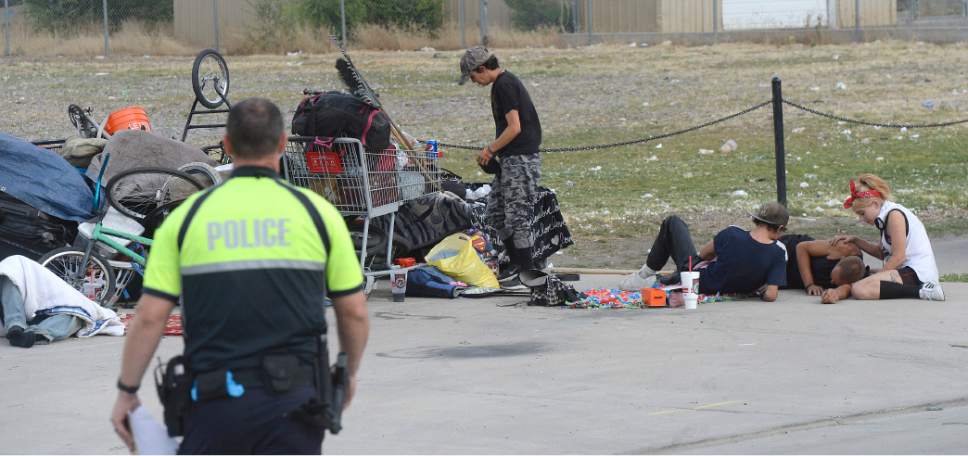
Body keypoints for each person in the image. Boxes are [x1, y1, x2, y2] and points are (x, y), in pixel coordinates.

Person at [109, 98, 370, 454]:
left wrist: (127, 391)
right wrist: (348, 373)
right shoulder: (318, 214)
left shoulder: (186, 218)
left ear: (227, 146)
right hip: (295, 405)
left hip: (214, 404)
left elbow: (150, 316)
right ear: (281, 144)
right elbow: (353, 311)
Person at [459, 46, 543, 283]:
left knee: (518, 218)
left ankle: (527, 272)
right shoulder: (501, 84)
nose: (474, 82)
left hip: (521, 161)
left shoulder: (505, 85)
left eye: (473, 76)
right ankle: (517, 261)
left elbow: (514, 127)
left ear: (482, 68)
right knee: (495, 212)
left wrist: (490, 149)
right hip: (510, 160)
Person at [619, 202, 790, 301]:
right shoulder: (778, 252)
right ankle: (656, 276)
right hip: (725, 288)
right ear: (780, 228)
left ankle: (645, 274)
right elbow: (771, 295)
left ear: (756, 220)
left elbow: (704, 254)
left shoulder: (732, 233)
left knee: (673, 222)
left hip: (694, 280)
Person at [820, 174, 944, 304]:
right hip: (907, 270)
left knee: (860, 288)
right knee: (869, 276)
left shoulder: (894, 216)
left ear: (874, 204)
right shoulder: (885, 216)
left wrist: (877, 277)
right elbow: (881, 253)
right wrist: (855, 240)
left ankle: (922, 290)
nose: (861, 219)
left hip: (918, 273)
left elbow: (898, 257)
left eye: (862, 213)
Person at [0, 255, 124, 348]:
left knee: (78, 316)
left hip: (41, 315)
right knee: (10, 272)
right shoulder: (15, 268)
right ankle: (15, 325)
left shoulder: (74, 301)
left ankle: (35, 334)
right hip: (10, 311)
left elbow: (84, 310)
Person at [778, 234, 867, 294]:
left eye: (835, 282)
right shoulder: (843, 247)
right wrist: (810, 284)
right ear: (841, 259)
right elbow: (801, 247)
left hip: (793, 278)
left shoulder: (857, 275)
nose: (831, 282)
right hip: (790, 254)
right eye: (833, 279)